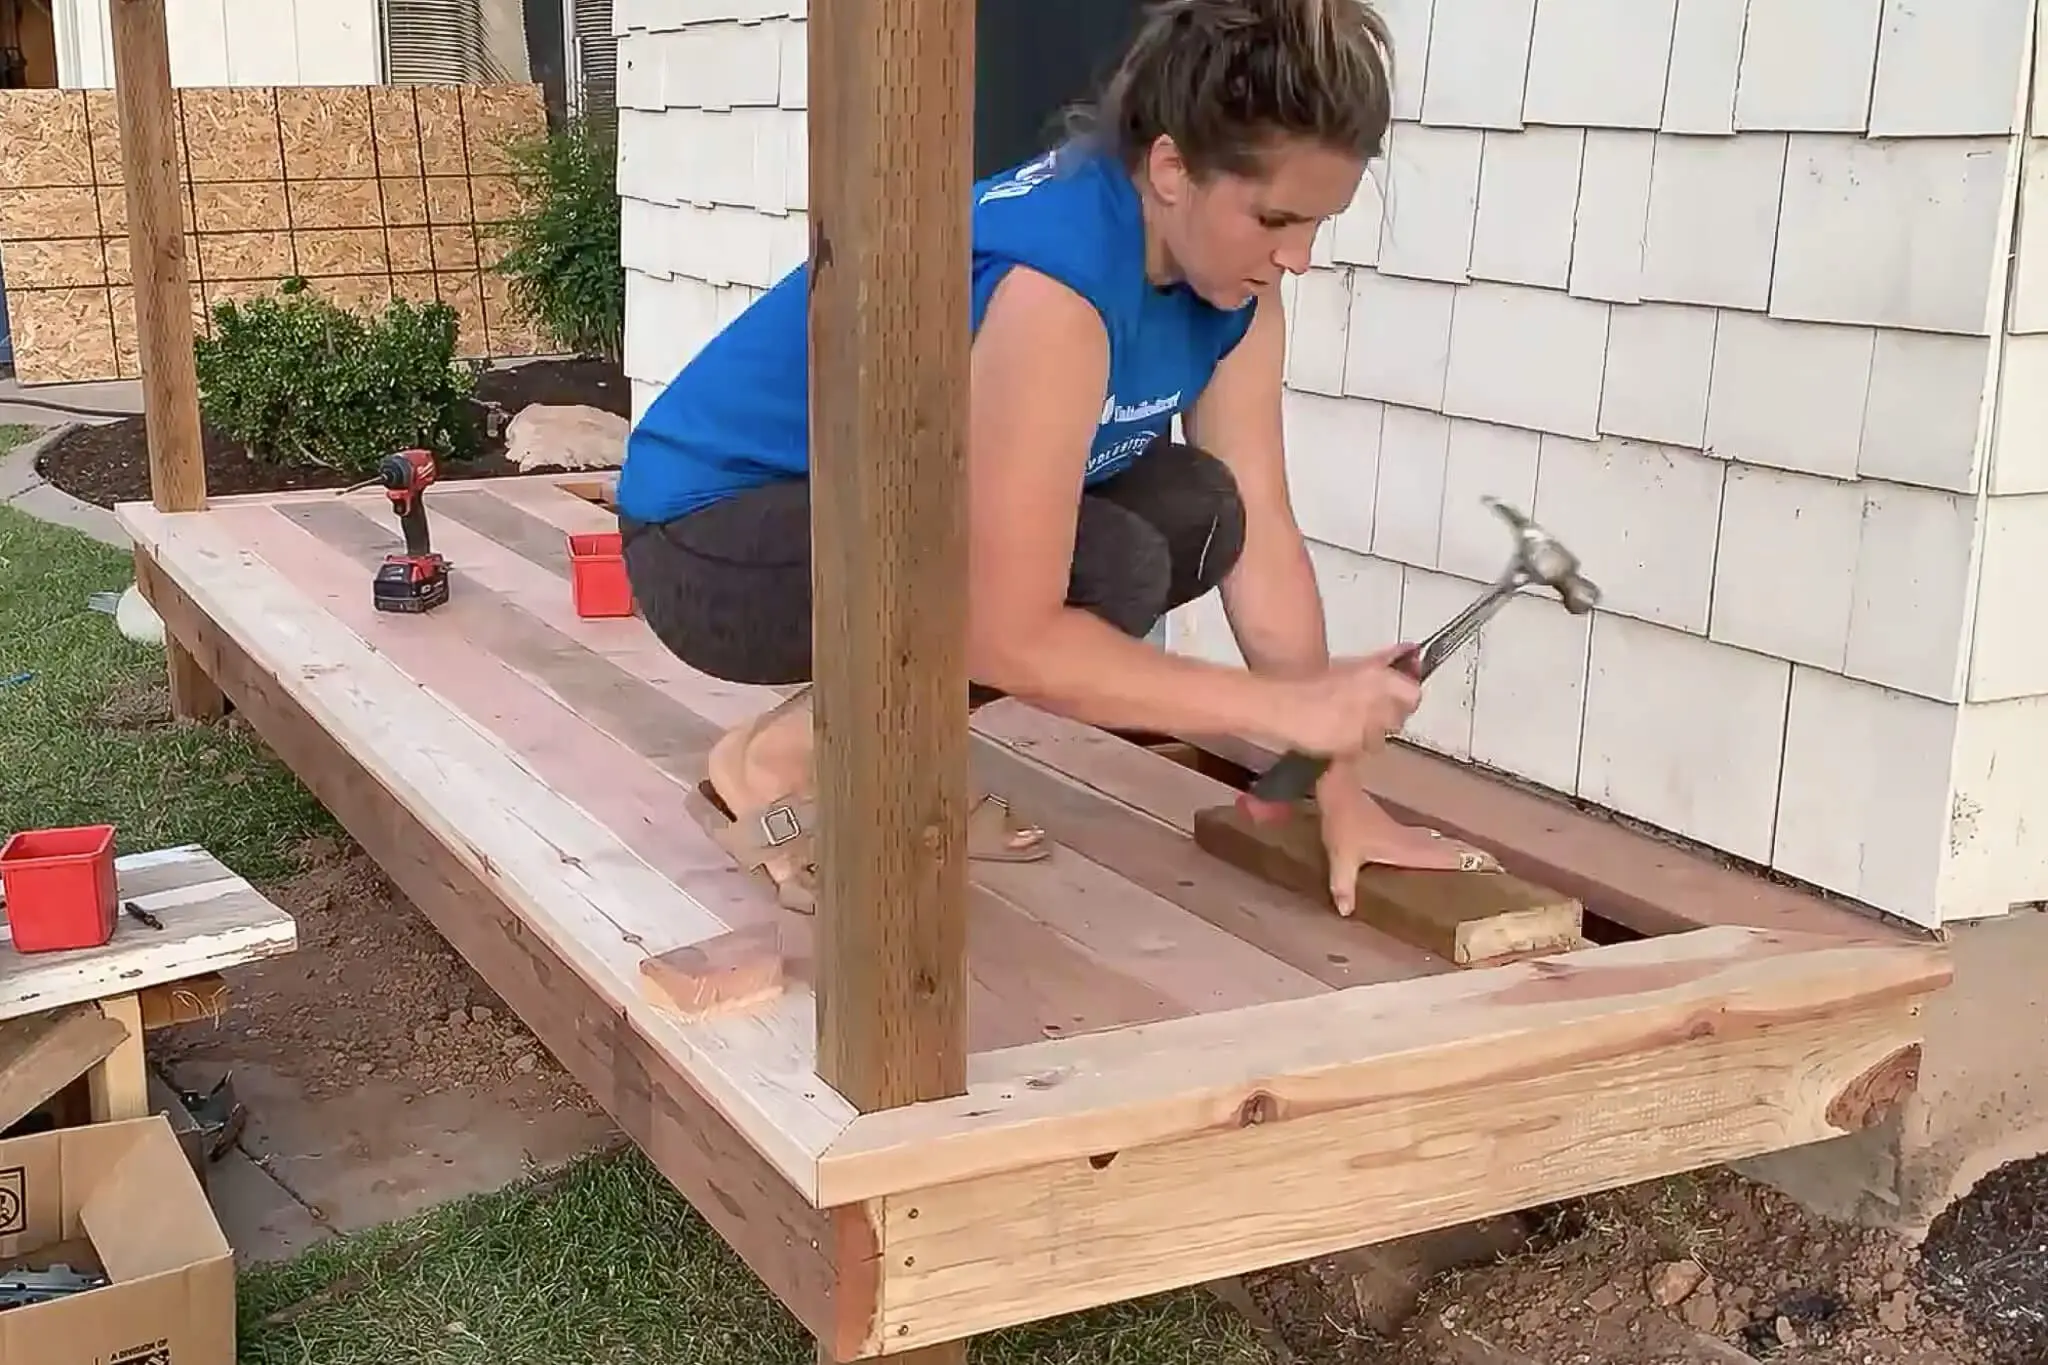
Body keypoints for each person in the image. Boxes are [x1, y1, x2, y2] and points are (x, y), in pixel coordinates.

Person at [613, 0, 1502, 917]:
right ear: (1170, 167)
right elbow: (1009, 633)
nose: (1300, 257)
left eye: (1319, 222)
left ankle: (873, 758)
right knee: (1089, 570)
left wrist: (1336, 789)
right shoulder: (1057, 292)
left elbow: (1263, 529)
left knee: (1203, 510)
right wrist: (1279, 712)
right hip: (712, 536)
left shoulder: (1234, 290)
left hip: (876, 502)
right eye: (1276, 217)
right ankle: (779, 761)